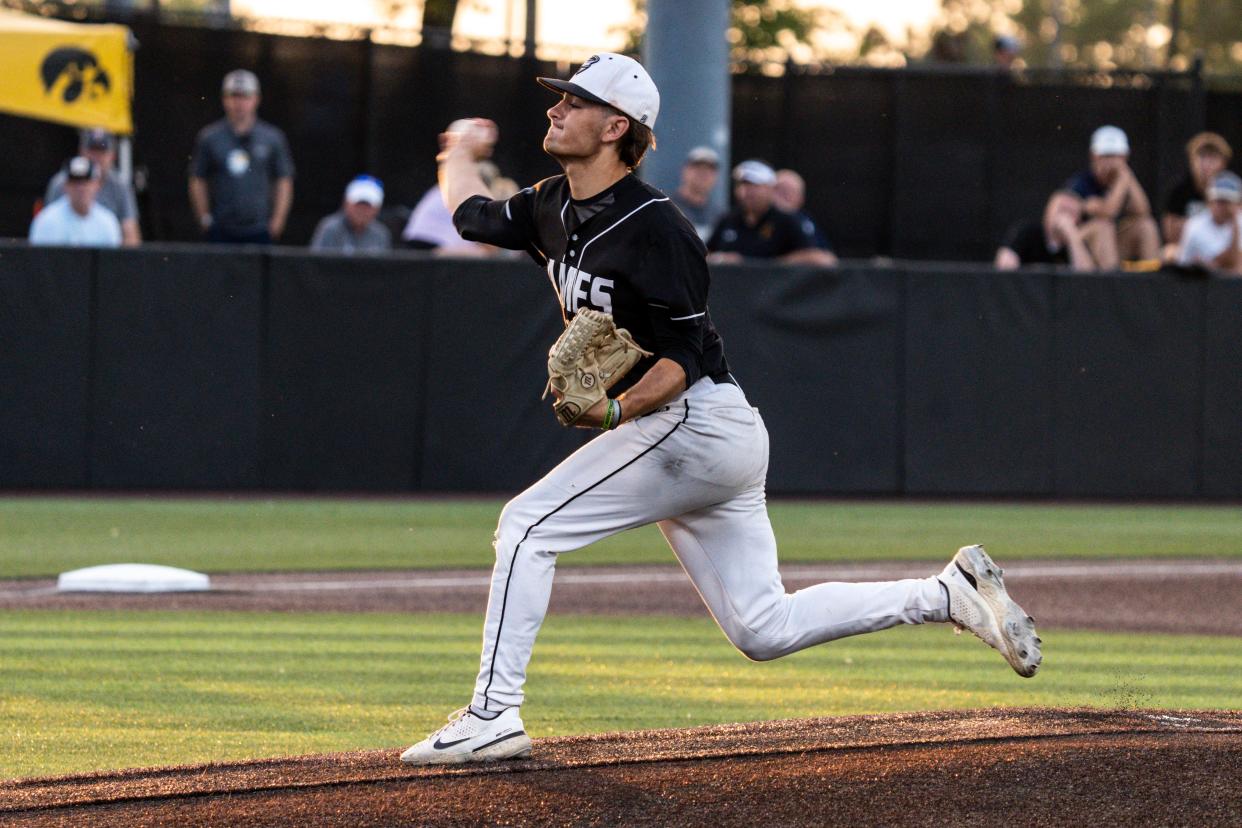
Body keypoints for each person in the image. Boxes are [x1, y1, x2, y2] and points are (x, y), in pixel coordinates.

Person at [398, 52, 1041, 767]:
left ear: (616, 127)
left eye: (573, 102)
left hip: (692, 422)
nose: (555, 109)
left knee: (525, 528)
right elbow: (469, 213)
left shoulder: (659, 229)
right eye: (559, 99)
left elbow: (680, 361)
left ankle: (493, 712)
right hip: (703, 440)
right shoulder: (550, 204)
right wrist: (457, 151)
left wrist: (614, 414)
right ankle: (943, 595)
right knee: (762, 627)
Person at [189, 69, 295, 245]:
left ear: (256, 99)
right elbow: (197, 178)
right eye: (233, 96)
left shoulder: (272, 137)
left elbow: (284, 179)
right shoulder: (209, 137)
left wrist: (278, 221)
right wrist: (204, 218)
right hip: (221, 229)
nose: (239, 103)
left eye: (245, 96)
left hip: (260, 229)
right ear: (224, 99)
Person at [403, 119, 518, 256]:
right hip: (427, 256)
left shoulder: (453, 179)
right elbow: (489, 242)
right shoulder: (451, 187)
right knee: (488, 252)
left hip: (434, 255)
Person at [1063, 125, 1160, 269]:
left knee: (1146, 226)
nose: (1110, 162)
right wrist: (1123, 181)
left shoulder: (1123, 178)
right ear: (1094, 156)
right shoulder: (1082, 184)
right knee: (1103, 228)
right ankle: (1112, 285)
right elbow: (1107, 212)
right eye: (1105, 156)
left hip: (1114, 248)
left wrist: (1127, 176)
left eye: (1115, 156)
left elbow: (1143, 211)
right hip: (1082, 250)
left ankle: (1150, 283)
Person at [706, 160, 836, 265]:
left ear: (770, 189)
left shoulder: (787, 219)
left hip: (776, 295)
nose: (747, 191)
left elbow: (821, 258)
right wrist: (720, 259)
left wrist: (764, 265)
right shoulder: (728, 220)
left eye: (754, 186)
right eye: (742, 185)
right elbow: (705, 254)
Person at [44, 128, 141, 246]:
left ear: (112, 155)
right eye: (92, 151)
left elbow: (130, 232)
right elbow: (47, 224)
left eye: (102, 151)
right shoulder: (60, 182)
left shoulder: (119, 190)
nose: (96, 157)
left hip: (104, 249)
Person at [1162, 132, 1233, 258]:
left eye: (1213, 157)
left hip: (1225, 251)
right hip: (1190, 250)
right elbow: (1171, 234)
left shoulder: (1233, 191)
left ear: (1223, 163)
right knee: (1169, 252)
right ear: (1191, 160)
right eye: (1202, 156)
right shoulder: (1180, 191)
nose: (1206, 164)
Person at [30, 156, 122, 247]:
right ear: (65, 186)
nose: (80, 188)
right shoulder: (46, 221)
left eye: (86, 182)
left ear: (96, 185)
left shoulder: (108, 222)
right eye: (75, 182)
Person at [994, 190, 1094, 271]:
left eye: (1071, 213)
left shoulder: (1078, 244)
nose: (1064, 216)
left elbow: (1086, 279)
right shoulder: (1027, 233)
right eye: (1062, 209)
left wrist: (1072, 234)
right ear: (1048, 211)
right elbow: (1004, 267)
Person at [1175, 171, 1242, 273]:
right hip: (1202, 285)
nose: (1222, 207)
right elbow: (1226, 263)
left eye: (1227, 201)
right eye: (1218, 201)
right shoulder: (1195, 226)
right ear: (1209, 201)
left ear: (1238, 204)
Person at [309, 175, 392, 254]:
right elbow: (316, 264)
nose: (362, 210)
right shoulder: (330, 228)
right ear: (346, 204)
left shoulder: (381, 234)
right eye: (358, 204)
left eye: (367, 206)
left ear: (377, 209)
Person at [773, 167, 838, 264]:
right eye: (779, 189)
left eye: (789, 191)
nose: (783, 195)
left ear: (801, 198)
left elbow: (827, 259)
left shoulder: (803, 221)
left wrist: (777, 264)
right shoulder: (753, 218)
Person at [669, 145, 724, 242]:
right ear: (684, 171)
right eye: (697, 167)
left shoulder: (719, 215)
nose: (703, 173)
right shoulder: (668, 207)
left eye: (709, 169)